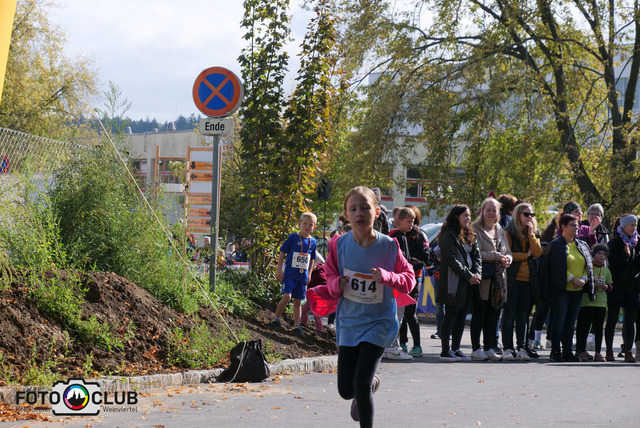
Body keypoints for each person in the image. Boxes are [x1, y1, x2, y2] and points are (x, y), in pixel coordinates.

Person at [306, 186, 415, 427]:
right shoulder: (339, 245)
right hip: (350, 322)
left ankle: (367, 389)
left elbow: (409, 280)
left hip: (379, 323)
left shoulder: (389, 246)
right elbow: (329, 275)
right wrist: (336, 283)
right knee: (346, 390)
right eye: (353, 209)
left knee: (360, 385)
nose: (359, 213)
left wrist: (387, 276)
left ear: (376, 212)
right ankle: (372, 383)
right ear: (346, 215)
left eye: (365, 208)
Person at [543, 214, 595, 362]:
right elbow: (555, 267)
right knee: (559, 321)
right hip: (561, 290)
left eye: (577, 225)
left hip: (577, 292)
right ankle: (555, 351)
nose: (576, 228)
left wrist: (583, 279)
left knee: (570, 323)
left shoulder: (582, 245)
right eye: (573, 225)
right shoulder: (555, 245)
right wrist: (572, 279)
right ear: (563, 227)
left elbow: (588, 265)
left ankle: (567, 351)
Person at [436, 204, 482, 362]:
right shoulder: (448, 234)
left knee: (462, 315)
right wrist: (468, 275)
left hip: (469, 281)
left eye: (469, 215)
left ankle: (456, 348)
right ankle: (445, 350)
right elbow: (451, 259)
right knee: (451, 314)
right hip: (453, 281)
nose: (469, 218)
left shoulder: (471, 233)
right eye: (465, 215)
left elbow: (477, 256)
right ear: (456, 217)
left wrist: (476, 274)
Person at [471, 198, 512, 361]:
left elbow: (508, 251)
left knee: (492, 316)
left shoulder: (500, 229)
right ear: (482, 211)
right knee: (479, 314)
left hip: (498, 281)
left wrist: (508, 259)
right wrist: (496, 256)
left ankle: (488, 348)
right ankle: (476, 348)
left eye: (494, 210)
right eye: (488, 210)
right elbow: (475, 253)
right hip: (483, 279)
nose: (491, 213)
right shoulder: (475, 229)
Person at [503, 202, 543, 361]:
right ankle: (507, 348)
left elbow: (538, 252)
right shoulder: (509, 232)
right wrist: (525, 256)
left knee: (523, 316)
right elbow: (507, 254)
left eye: (532, 215)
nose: (529, 217)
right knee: (509, 315)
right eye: (526, 214)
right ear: (518, 215)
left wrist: (531, 234)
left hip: (528, 281)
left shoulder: (534, 232)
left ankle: (521, 348)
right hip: (512, 280)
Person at [271, 212, 318, 337]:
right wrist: (279, 269)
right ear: (299, 224)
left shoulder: (313, 241)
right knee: (287, 296)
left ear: (314, 227)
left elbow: (312, 259)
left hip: (302, 276)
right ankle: (276, 319)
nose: (307, 226)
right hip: (290, 274)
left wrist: (310, 273)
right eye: (305, 223)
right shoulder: (293, 237)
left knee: (298, 301)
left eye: (310, 225)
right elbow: (282, 252)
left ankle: (297, 326)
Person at [605, 214, 640, 362]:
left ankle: (628, 351)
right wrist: (626, 255)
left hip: (633, 286)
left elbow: (637, 265)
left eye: (635, 225)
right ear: (624, 226)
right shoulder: (614, 242)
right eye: (632, 225)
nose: (634, 228)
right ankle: (609, 351)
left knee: (630, 321)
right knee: (612, 319)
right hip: (617, 286)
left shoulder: (638, 241)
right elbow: (614, 266)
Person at [390, 207, 424, 357]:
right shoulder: (399, 237)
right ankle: (393, 346)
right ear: (400, 221)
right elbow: (401, 261)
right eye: (409, 221)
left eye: (413, 221)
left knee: (400, 314)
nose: (411, 224)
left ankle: (394, 345)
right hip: (400, 281)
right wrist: (417, 264)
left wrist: (411, 261)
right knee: (399, 315)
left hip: (397, 279)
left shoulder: (397, 235)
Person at [575, 243, 612, 362]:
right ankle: (581, 351)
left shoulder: (606, 270)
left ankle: (598, 352)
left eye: (604, 254)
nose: (601, 256)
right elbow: (583, 283)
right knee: (584, 327)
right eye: (599, 253)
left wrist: (606, 287)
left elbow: (611, 285)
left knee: (599, 328)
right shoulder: (587, 268)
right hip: (587, 302)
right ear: (593, 254)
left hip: (601, 303)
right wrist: (591, 287)